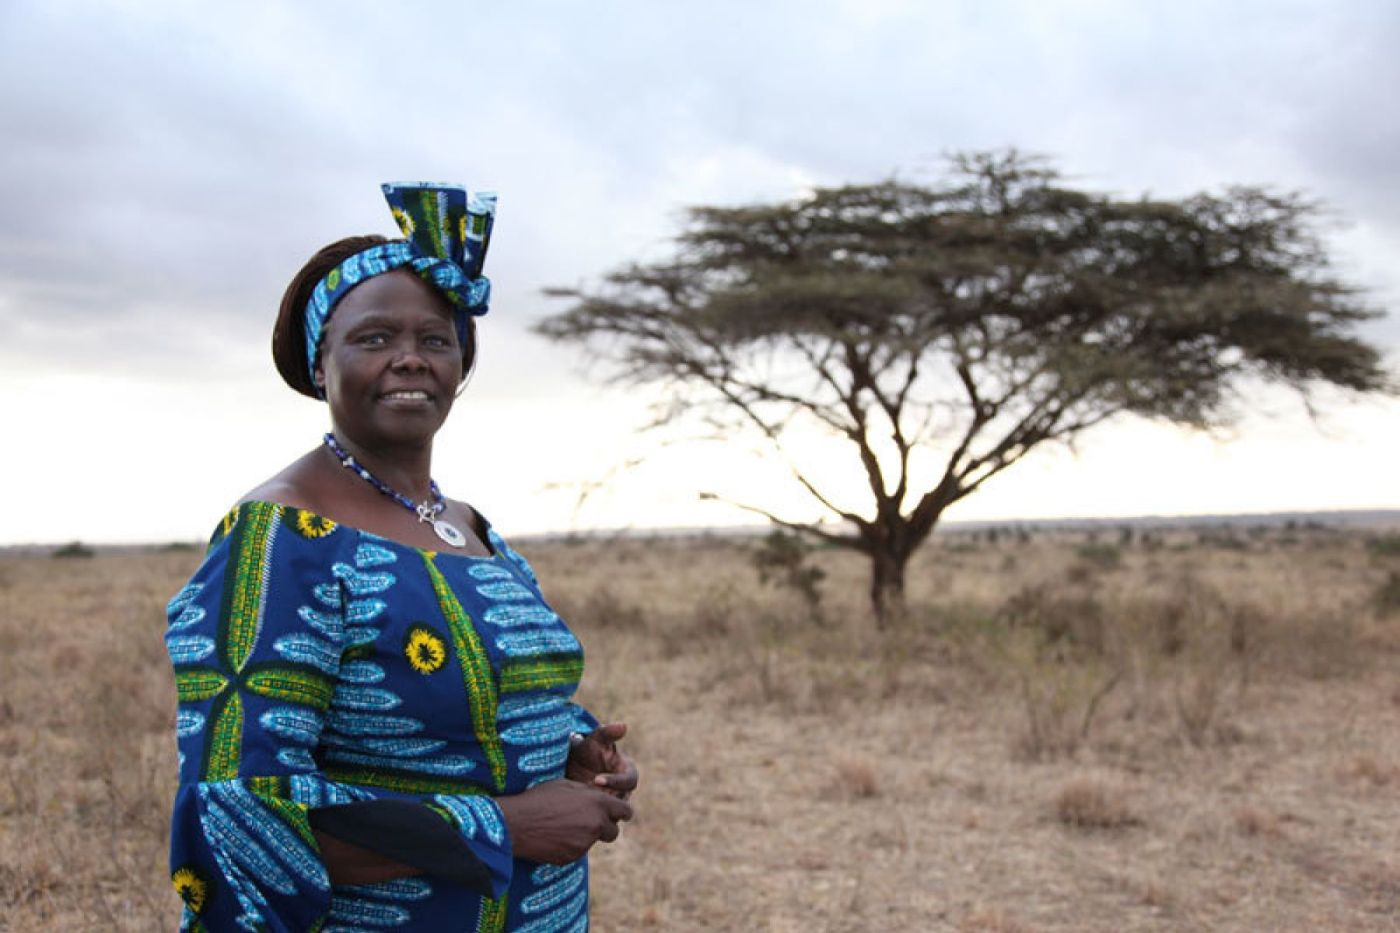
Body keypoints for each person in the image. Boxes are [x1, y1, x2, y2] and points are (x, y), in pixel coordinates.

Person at [165, 182, 637, 932]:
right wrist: (506, 827)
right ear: (321, 365)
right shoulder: (281, 538)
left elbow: (481, 704)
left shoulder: (470, 527)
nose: (410, 359)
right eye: (375, 338)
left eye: (435, 340)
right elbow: (240, 809)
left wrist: (572, 749)